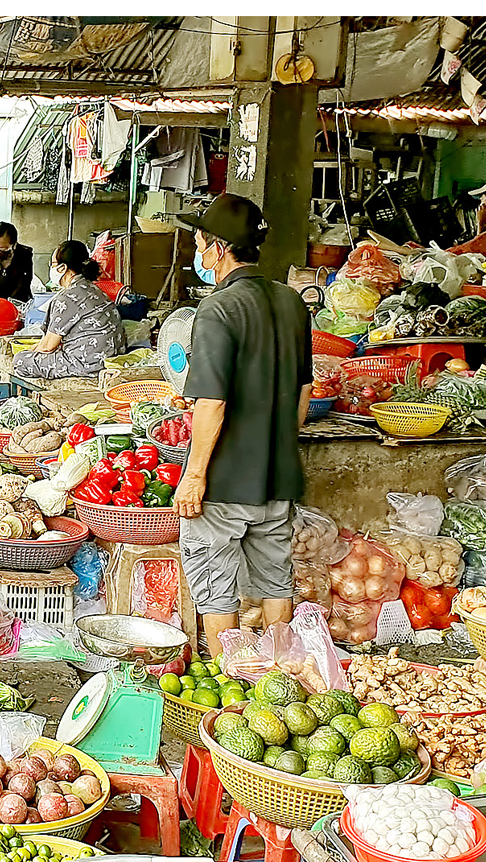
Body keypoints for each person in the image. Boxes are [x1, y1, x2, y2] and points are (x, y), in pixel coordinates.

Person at [173, 193, 312, 655]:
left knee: (215, 584)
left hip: (225, 480)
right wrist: (277, 444)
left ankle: (231, 680)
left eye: (199, 241)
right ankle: (281, 673)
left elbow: (212, 401)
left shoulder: (218, 309)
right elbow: (304, 392)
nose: (198, 251)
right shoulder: (293, 303)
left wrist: (194, 477)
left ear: (217, 248)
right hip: (278, 474)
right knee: (276, 580)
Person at [12, 240, 126, 380]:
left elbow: (48, 347)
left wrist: (29, 351)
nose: (51, 269)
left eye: (52, 265)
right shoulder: (96, 290)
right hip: (112, 359)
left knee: (20, 360)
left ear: (62, 268)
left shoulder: (67, 298)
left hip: (88, 365)